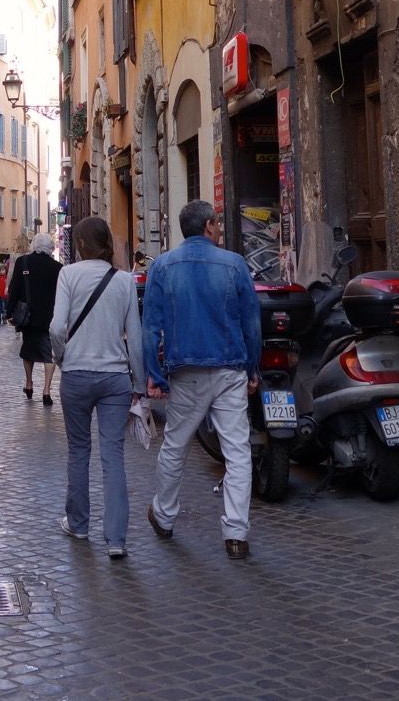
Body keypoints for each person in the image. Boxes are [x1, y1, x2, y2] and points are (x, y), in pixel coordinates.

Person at [143, 200, 261, 560]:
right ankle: (236, 534)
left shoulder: (163, 266)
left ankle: (164, 516)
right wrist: (252, 367)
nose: (220, 229)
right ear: (209, 225)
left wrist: (154, 373)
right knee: (237, 452)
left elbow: (150, 327)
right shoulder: (234, 264)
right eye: (218, 224)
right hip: (229, 368)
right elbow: (251, 323)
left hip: (187, 371)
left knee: (175, 445)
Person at [50, 217, 145, 559]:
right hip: (115, 378)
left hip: (76, 374)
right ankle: (116, 539)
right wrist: (139, 382)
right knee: (113, 456)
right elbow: (135, 336)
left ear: (79, 245)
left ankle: (78, 524)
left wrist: (61, 358)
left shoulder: (68, 275)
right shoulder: (123, 280)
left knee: (78, 451)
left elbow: (57, 328)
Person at [7, 233, 63, 406]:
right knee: (49, 354)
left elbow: (14, 288)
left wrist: (9, 312)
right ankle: (46, 390)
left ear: (34, 245)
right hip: (49, 316)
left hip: (28, 317)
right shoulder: (57, 267)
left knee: (28, 350)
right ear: (50, 247)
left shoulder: (22, 262)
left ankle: (29, 383)